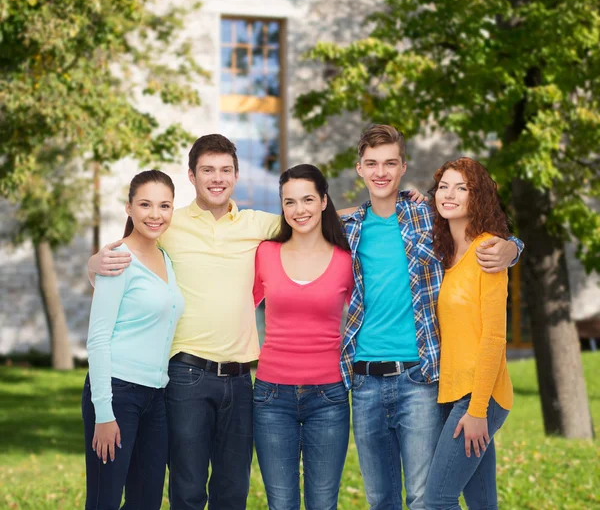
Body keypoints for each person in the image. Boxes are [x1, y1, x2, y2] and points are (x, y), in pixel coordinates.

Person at [87, 133, 424, 510]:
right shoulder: (168, 222)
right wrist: (93, 264)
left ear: (236, 175)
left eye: (226, 170)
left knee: (233, 492)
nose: (217, 178)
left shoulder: (257, 226)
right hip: (186, 374)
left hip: (241, 379)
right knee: (188, 488)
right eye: (207, 170)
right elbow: (130, 250)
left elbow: (308, 217)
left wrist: (393, 201)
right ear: (191, 176)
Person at [336, 125, 523, 510]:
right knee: (381, 500)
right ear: (359, 169)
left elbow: (490, 237)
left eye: (390, 162)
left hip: (421, 378)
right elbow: (300, 215)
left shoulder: (426, 216)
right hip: (365, 379)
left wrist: (512, 247)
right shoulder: (349, 228)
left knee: (429, 498)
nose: (381, 172)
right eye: (371, 163)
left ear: (404, 167)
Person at [252, 164, 354, 510]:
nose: (300, 210)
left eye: (308, 199)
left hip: (328, 396)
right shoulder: (264, 253)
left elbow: (362, 320)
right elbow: (236, 306)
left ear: (324, 201)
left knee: (323, 504)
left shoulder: (345, 259)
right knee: (281, 504)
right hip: (270, 397)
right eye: (290, 202)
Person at [82, 170, 184, 510]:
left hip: (156, 397)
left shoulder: (166, 258)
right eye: (145, 204)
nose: (155, 214)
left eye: (164, 206)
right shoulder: (118, 258)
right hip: (117, 394)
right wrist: (104, 412)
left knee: (146, 501)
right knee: (105, 501)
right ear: (129, 208)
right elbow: (97, 339)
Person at [423, 158, 513, 510]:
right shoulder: (446, 253)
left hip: (479, 397)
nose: (449, 194)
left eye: (462, 187)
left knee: (438, 499)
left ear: (479, 197)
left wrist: (477, 410)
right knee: (481, 502)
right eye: (444, 186)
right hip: (452, 392)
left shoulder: (489, 250)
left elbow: (494, 338)